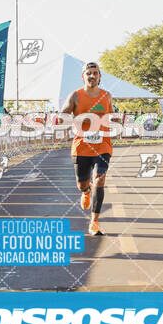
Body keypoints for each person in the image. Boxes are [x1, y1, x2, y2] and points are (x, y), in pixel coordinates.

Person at [61, 62, 118, 236]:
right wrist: (79, 121)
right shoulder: (75, 96)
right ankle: (86, 191)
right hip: (81, 146)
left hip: (102, 145)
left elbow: (110, 115)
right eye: (89, 73)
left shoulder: (107, 96)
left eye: (95, 73)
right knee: (82, 183)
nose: (92, 76)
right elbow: (63, 115)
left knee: (100, 179)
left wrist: (112, 121)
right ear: (83, 76)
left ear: (100, 76)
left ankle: (94, 222)